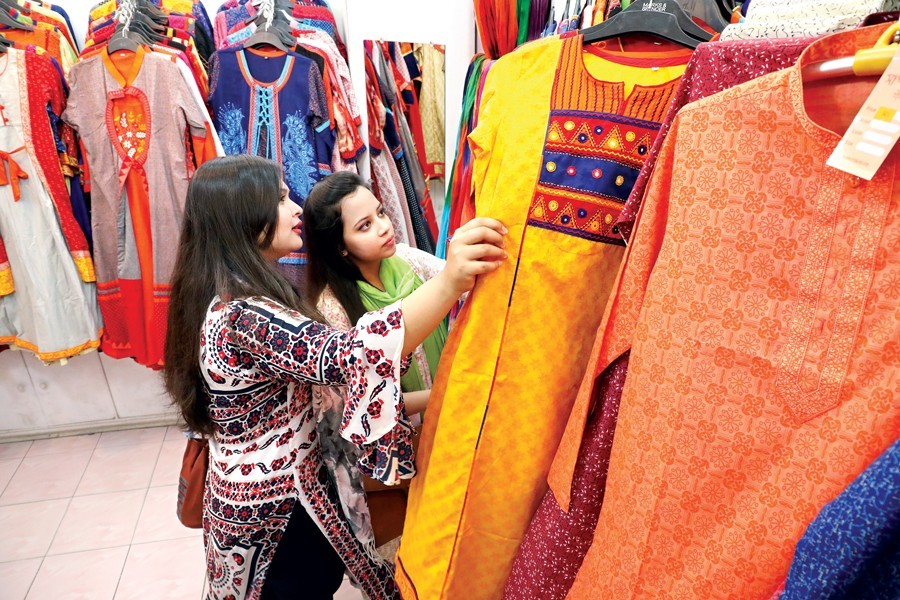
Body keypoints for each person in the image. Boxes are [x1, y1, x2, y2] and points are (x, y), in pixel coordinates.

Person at [162, 155, 507, 600]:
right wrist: (451, 282)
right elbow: (351, 357)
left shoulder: (239, 294)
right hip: (274, 520)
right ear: (247, 218)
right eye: (282, 198)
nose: (296, 209)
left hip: (287, 502)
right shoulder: (242, 315)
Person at [302, 172, 448, 556]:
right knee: (415, 541)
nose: (384, 227)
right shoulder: (331, 310)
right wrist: (440, 396)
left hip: (445, 417)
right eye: (365, 225)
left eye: (381, 213)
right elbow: (360, 406)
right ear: (340, 248)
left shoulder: (407, 260)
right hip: (394, 449)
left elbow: (455, 278)